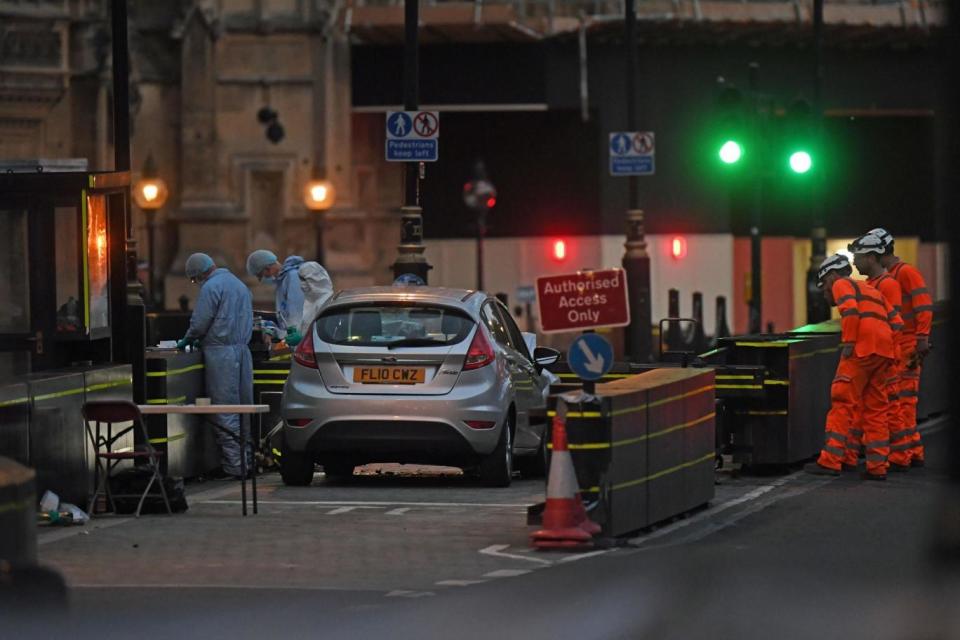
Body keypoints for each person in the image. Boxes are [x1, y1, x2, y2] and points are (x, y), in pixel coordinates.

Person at [804, 253, 898, 481]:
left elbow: (850, 312)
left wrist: (849, 342)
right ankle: (877, 466)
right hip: (883, 350)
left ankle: (831, 460)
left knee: (842, 401)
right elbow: (896, 322)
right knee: (876, 408)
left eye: (825, 283)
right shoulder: (871, 289)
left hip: (861, 349)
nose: (826, 291)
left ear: (833, 275)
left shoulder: (842, 284)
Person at [178, 253, 254, 479]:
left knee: (225, 408)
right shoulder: (239, 285)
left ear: (199, 274)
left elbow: (201, 322)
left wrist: (189, 338)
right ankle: (247, 460)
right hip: (242, 351)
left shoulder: (211, 287)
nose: (196, 283)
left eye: (194, 279)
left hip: (220, 354)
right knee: (243, 408)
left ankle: (234, 466)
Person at [868, 228, 933, 467]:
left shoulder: (905, 273)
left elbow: (923, 306)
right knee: (904, 401)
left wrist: (921, 337)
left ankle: (902, 455)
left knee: (903, 402)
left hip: (907, 344)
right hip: (902, 344)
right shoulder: (895, 274)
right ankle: (913, 450)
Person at [848, 233, 910, 471]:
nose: (854, 262)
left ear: (872, 258)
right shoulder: (872, 285)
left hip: (885, 357)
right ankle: (883, 460)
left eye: (859, 257)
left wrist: (893, 361)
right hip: (876, 354)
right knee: (878, 409)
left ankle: (899, 457)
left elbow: (892, 325)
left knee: (889, 410)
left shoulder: (888, 285)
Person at [245, 249, 306, 337]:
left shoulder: (293, 277)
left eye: (260, 276)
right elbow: (284, 315)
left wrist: (294, 334)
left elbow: (296, 313)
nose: (260, 280)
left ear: (267, 269)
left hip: (298, 336)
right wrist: (273, 327)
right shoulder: (282, 282)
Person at [286, 262, 334, 348]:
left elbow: (326, 333)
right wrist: (297, 331)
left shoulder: (326, 302)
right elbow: (307, 326)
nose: (301, 284)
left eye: (304, 280)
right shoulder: (311, 302)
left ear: (316, 279)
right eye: (300, 280)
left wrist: (302, 338)